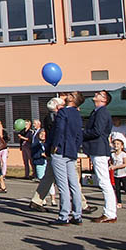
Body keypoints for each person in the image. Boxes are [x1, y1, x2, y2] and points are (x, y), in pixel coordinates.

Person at [50, 92, 85, 225]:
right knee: (74, 184)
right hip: (71, 151)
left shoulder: (63, 112)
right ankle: (77, 215)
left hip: (60, 150)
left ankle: (64, 215)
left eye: (71, 94)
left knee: (63, 185)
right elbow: (78, 134)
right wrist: (75, 148)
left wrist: (55, 145)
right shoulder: (77, 113)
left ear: (73, 100)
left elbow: (59, 129)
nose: (68, 95)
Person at [84, 90, 117, 223]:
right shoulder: (96, 111)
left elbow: (97, 131)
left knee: (104, 182)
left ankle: (110, 213)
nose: (96, 94)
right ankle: (110, 212)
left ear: (104, 100)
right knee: (103, 181)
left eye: (99, 94)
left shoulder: (102, 112)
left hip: (99, 149)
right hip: (96, 149)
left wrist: (82, 133)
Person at [111, 137, 126, 209]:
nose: (116, 145)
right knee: (117, 189)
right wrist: (112, 166)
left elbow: (125, 164)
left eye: (118, 144)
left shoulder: (123, 154)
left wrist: (116, 167)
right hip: (116, 175)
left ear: (122, 146)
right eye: (114, 144)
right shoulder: (112, 154)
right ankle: (119, 202)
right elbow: (112, 163)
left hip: (124, 174)